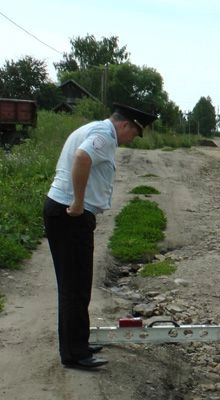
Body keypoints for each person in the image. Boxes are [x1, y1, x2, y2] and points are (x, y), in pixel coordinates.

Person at [43, 103, 157, 369]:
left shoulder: (95, 129)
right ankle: (75, 354)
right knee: (75, 287)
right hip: (70, 215)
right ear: (125, 124)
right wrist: (78, 202)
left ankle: (77, 344)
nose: (132, 139)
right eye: (134, 133)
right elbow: (82, 158)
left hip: (64, 212)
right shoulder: (104, 136)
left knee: (77, 285)